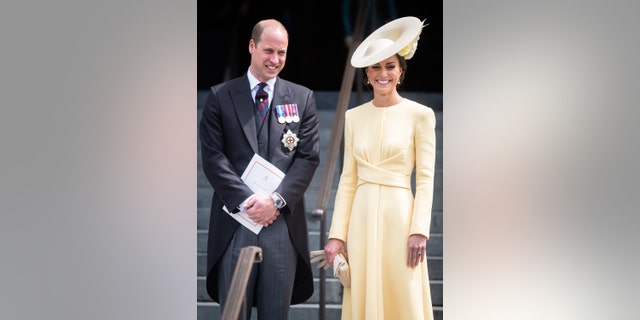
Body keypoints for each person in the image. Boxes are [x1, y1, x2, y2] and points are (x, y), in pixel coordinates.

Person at [199, 19, 320, 320]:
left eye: (282, 52)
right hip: (235, 220)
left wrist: (275, 201)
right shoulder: (220, 96)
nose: (275, 60)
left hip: (281, 224)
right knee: (234, 311)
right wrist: (248, 201)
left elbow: (308, 157)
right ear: (251, 46)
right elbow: (213, 157)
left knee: (275, 314)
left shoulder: (302, 98)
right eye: (268, 50)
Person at [323, 16, 436, 320]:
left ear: (401, 71)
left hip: (400, 219)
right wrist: (337, 235)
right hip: (361, 218)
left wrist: (419, 231)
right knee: (363, 293)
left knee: (402, 292)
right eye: (376, 67)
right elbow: (348, 179)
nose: (382, 73)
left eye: (390, 66)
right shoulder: (353, 117)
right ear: (367, 74)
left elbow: (425, 180)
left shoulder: (421, 115)